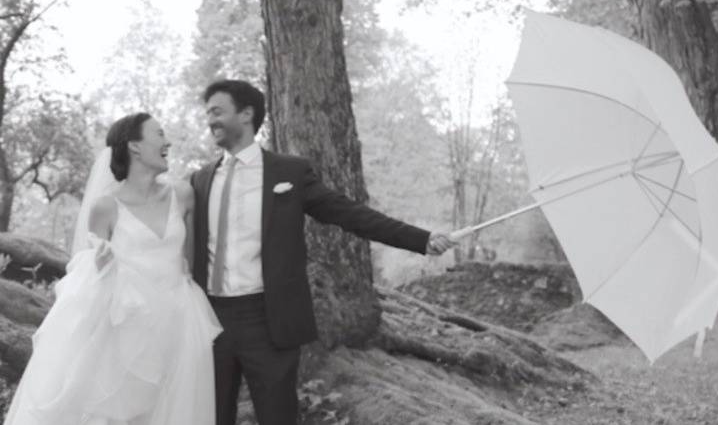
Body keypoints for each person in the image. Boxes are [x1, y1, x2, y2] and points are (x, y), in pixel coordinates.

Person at [190, 79, 455, 425]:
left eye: (217, 111)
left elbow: (351, 215)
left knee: (278, 417)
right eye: (208, 113)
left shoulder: (289, 173)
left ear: (246, 113)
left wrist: (421, 239)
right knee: (210, 417)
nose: (210, 120)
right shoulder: (199, 180)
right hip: (209, 319)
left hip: (268, 320)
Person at [4, 113, 222, 425]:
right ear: (134, 146)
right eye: (159, 134)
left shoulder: (183, 195)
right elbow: (87, 279)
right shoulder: (105, 206)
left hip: (179, 320)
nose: (168, 142)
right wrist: (99, 263)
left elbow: (191, 262)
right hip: (127, 327)